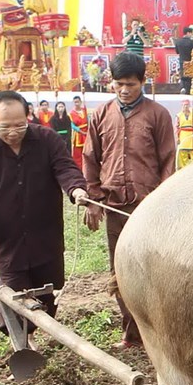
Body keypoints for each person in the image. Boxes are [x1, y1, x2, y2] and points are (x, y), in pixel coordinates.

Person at [0, 91, 88, 347]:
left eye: (19, 125)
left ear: (29, 116)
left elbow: (64, 167)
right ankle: (22, 346)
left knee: (48, 293)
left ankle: (31, 334)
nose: (13, 132)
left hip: (45, 238)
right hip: (8, 243)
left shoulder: (47, 140)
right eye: (5, 127)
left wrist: (75, 188)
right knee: (15, 297)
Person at [81, 52, 176, 349]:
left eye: (131, 85)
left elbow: (168, 161)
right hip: (114, 205)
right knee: (119, 271)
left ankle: (158, 334)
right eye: (119, 84)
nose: (124, 90)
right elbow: (91, 159)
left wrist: (163, 202)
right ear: (112, 83)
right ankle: (132, 334)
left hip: (147, 206)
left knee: (151, 270)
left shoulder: (157, 115)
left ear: (143, 83)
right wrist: (93, 200)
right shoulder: (101, 114)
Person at [175, 99, 193, 169]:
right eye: (184, 105)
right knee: (183, 152)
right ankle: (183, 168)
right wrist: (177, 138)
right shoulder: (179, 115)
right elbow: (176, 127)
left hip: (191, 134)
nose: (185, 107)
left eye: (187, 105)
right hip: (183, 135)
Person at [175, 25, 193, 94]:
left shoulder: (178, 41)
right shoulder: (191, 42)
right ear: (188, 33)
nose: (191, 35)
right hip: (189, 61)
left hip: (181, 61)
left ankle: (182, 88)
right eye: (191, 33)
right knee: (188, 78)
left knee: (182, 77)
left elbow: (177, 52)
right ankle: (187, 92)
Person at [69, 95, 88, 168]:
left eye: (78, 102)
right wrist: (81, 132)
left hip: (87, 132)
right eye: (75, 102)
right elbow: (72, 125)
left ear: (80, 102)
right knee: (78, 153)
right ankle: (78, 168)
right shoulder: (71, 113)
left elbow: (88, 120)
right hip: (78, 134)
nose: (76, 103)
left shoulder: (84, 110)